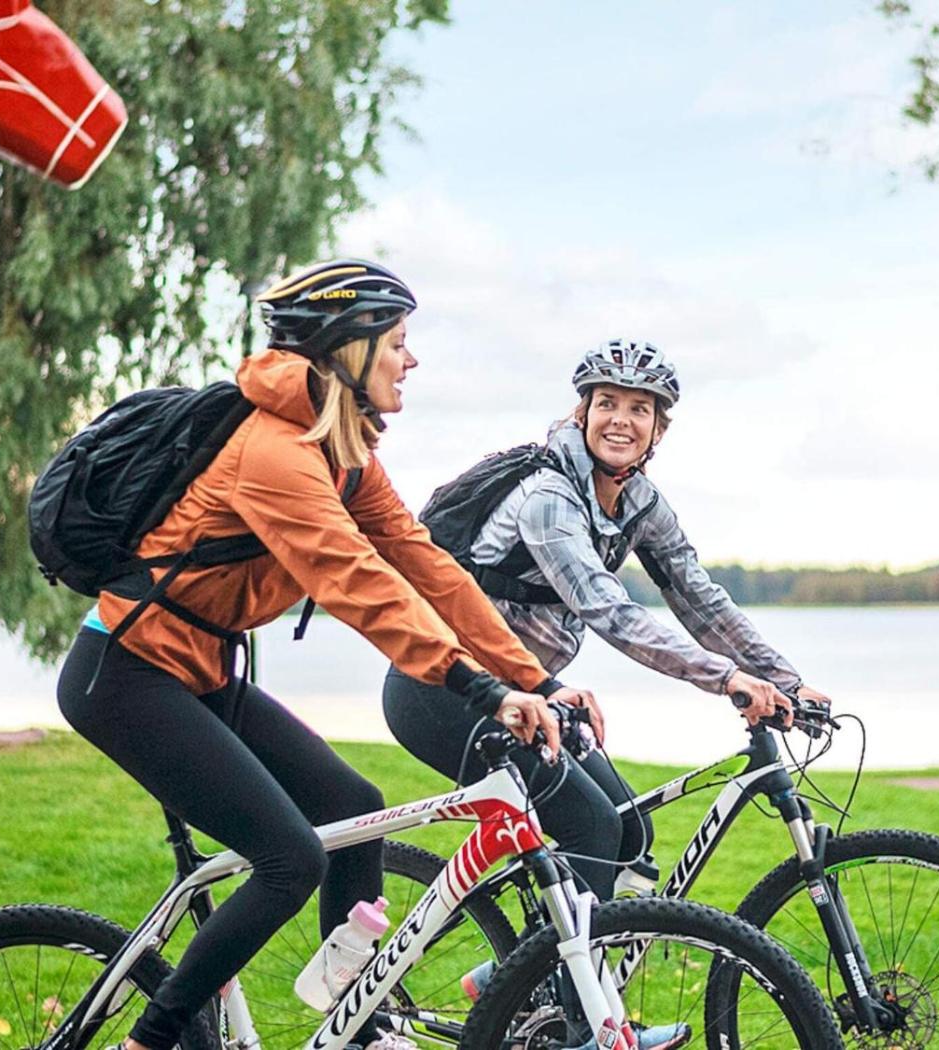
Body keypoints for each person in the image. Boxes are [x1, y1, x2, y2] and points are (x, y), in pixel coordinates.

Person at [57, 260, 595, 1050]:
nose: (411, 360)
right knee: (289, 859)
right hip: (126, 676)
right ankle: (151, 1040)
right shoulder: (273, 452)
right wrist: (480, 690)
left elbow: (428, 566)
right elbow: (356, 583)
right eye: (398, 343)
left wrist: (534, 678)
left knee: (355, 809)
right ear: (348, 348)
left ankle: (358, 1026)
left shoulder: (343, 455)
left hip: (200, 671)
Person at [384, 336, 830, 912]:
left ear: (658, 430)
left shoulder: (640, 503)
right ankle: (567, 970)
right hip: (443, 692)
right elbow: (607, 610)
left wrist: (785, 680)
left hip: (530, 695)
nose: (621, 420)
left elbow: (700, 599)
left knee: (629, 832)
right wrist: (725, 679)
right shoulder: (547, 498)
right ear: (583, 413)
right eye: (607, 403)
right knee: (592, 826)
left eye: (639, 408)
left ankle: (543, 960)